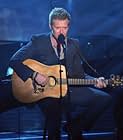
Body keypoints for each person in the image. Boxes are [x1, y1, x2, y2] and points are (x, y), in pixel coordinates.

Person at [9, 7, 112, 140]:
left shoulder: (74, 44)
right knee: (54, 115)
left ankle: (75, 126)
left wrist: (95, 81)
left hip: (68, 89)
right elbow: (14, 61)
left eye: (65, 27)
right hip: (44, 91)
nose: (61, 32)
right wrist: (34, 75)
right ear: (50, 26)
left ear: (69, 26)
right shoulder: (39, 41)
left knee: (104, 99)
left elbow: (79, 75)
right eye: (58, 28)